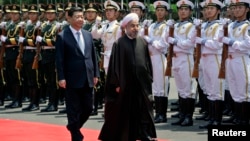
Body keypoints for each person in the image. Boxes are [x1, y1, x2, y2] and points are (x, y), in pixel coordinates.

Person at [98, 13, 157, 141]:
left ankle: (144, 133)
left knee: (144, 109)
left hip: (142, 83)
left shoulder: (142, 42)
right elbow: (114, 66)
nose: (135, 28)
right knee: (125, 111)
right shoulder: (119, 44)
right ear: (125, 27)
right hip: (125, 84)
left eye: (137, 26)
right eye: (132, 26)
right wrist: (117, 84)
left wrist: (149, 78)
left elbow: (147, 62)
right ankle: (125, 134)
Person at [55, 6, 99, 141]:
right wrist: (61, 77)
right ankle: (75, 135)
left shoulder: (87, 34)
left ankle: (73, 127)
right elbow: (59, 59)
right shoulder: (62, 36)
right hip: (71, 78)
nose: (80, 19)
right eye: (77, 17)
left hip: (88, 76)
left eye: (81, 16)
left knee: (89, 108)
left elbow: (93, 55)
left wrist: (96, 74)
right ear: (68, 18)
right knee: (73, 109)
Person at [167, 0, 197, 127]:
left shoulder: (192, 26)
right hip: (175, 58)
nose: (182, 11)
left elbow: (189, 44)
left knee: (188, 89)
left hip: (186, 58)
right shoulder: (176, 25)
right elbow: (166, 39)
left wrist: (174, 41)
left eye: (185, 9)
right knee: (180, 89)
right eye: (180, 9)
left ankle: (188, 117)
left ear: (190, 11)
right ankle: (182, 115)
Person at [196, 0, 225, 129]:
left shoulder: (220, 26)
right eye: (206, 9)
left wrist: (202, 40)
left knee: (216, 90)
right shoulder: (204, 25)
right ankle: (211, 118)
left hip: (215, 58)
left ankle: (217, 121)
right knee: (209, 90)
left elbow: (217, 44)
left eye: (212, 8)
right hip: (205, 59)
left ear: (218, 11)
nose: (208, 11)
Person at [220, 0, 250, 125]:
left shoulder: (247, 26)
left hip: (241, 58)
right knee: (234, 89)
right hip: (230, 59)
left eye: (240, 7)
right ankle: (237, 116)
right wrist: (223, 28)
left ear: (247, 9)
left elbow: (248, 44)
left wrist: (232, 43)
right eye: (235, 7)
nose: (237, 10)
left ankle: (244, 119)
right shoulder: (231, 25)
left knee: (243, 90)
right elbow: (220, 39)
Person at [143, 0, 170, 124]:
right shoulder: (152, 26)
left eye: (162, 10)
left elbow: (162, 45)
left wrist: (151, 40)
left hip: (160, 56)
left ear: (166, 12)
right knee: (154, 87)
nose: (159, 12)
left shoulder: (167, 26)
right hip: (150, 57)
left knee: (161, 86)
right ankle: (156, 113)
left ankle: (162, 114)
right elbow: (144, 40)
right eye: (158, 10)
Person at [19, 4, 41, 111]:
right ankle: (31, 102)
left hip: (33, 54)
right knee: (29, 80)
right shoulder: (27, 26)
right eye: (30, 13)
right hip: (26, 54)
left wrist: (23, 40)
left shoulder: (38, 26)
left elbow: (35, 42)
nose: (32, 16)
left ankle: (35, 103)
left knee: (34, 80)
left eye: (34, 14)